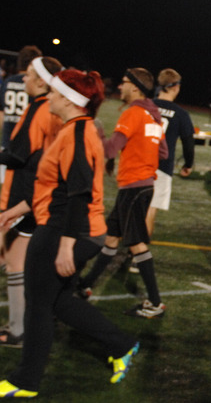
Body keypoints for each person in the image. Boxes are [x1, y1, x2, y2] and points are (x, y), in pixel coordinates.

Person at [0, 69, 139, 398]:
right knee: (57, 302)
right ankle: (122, 344)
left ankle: (25, 381)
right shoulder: (74, 130)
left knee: (37, 304)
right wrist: (17, 209)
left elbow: (77, 194)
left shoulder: (77, 134)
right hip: (72, 227)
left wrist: (66, 246)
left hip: (66, 229)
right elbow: (56, 188)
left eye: (54, 92)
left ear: (69, 99)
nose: (49, 97)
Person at [0, 56, 64, 348]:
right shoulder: (47, 108)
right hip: (33, 195)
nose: (23, 78)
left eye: (28, 74)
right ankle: (32, 314)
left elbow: (22, 157)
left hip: (26, 196)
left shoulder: (41, 108)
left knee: (12, 261)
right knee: (8, 257)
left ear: (42, 81)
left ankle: (20, 329)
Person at [76, 68, 168, 318]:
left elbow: (110, 150)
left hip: (134, 187)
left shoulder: (134, 113)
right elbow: (163, 153)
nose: (120, 87)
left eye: (124, 83)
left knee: (137, 244)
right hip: (142, 185)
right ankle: (85, 286)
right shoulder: (154, 116)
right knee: (112, 239)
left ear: (136, 88)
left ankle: (155, 303)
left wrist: (97, 132)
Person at [145, 68, 195, 238]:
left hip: (138, 162)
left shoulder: (145, 106)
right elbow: (189, 144)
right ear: (176, 87)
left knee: (133, 207)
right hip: (162, 167)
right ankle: (138, 258)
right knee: (150, 210)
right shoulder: (181, 114)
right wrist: (188, 164)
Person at [0, 46, 43, 181]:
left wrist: (7, 134)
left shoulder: (8, 81)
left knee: (7, 188)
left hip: (8, 142)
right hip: (29, 145)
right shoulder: (35, 84)